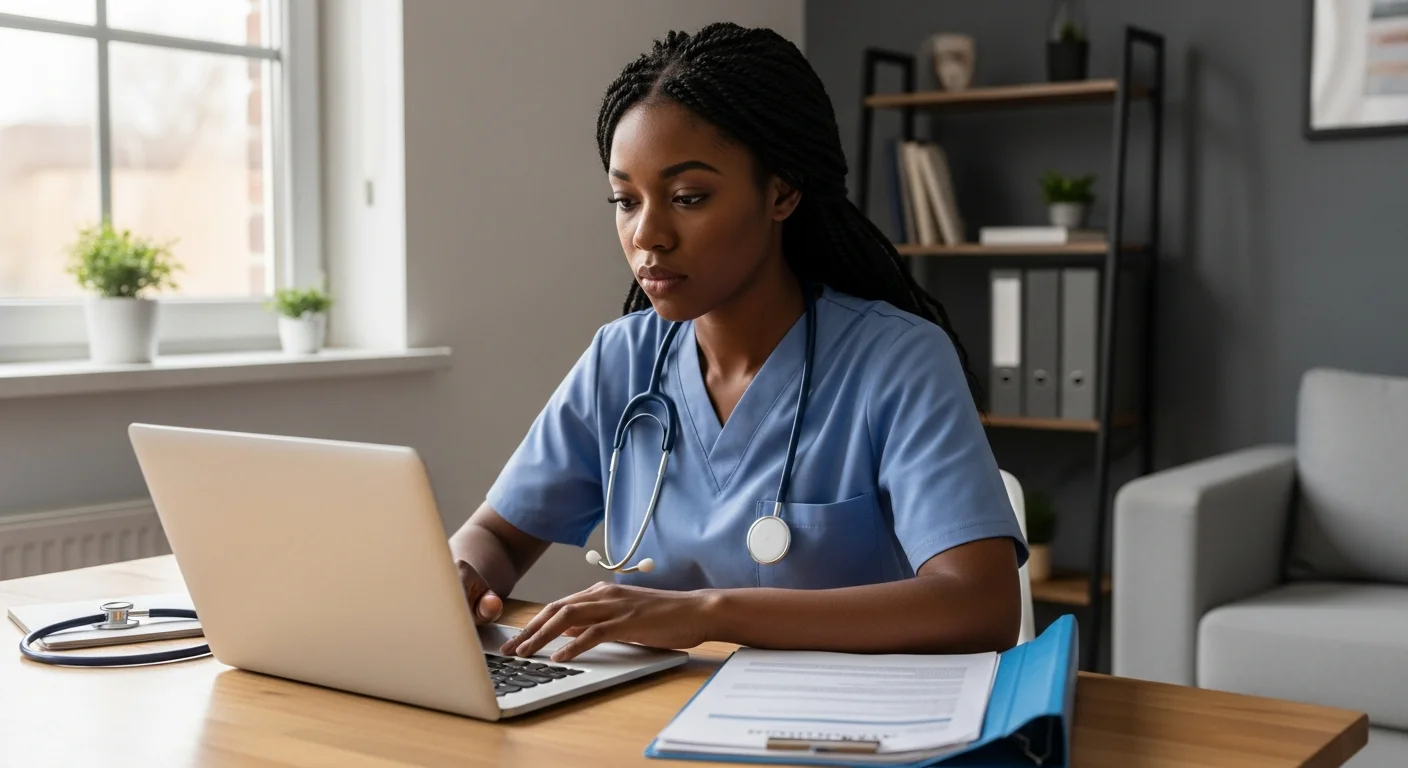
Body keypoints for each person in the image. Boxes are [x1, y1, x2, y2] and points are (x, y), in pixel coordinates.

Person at [448, 22, 1026, 664]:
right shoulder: (623, 359)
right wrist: (461, 575)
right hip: (645, 724)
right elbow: (494, 537)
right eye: (624, 200)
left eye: (687, 197)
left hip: (837, 733)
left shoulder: (897, 362)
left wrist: (704, 613)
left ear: (781, 192)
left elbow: (982, 604)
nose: (648, 235)